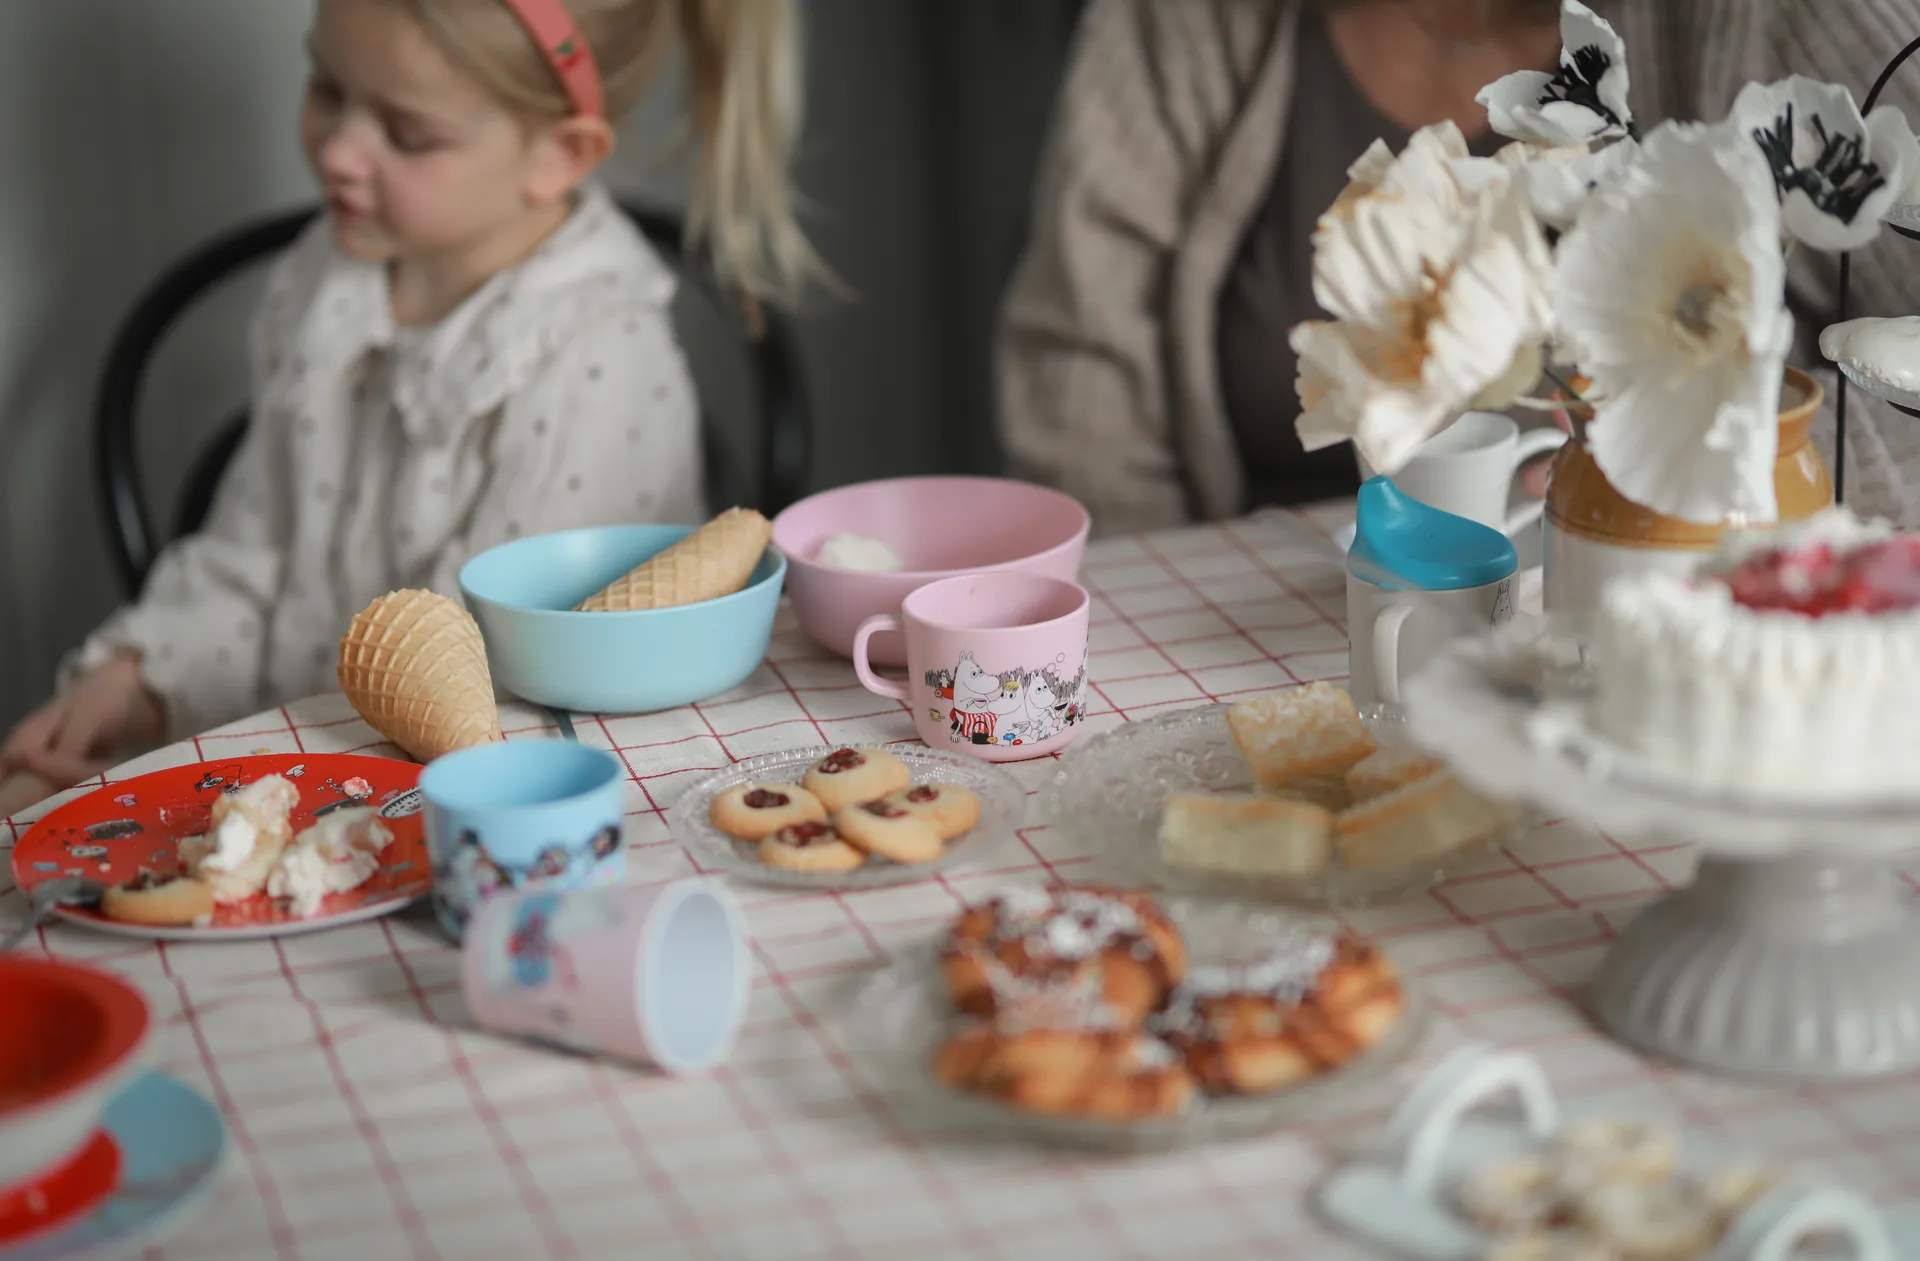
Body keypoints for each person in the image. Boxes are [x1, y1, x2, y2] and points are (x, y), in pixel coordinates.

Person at [0, 0, 818, 804]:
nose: (338, 151)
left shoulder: (594, 357)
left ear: (559, 155)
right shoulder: (323, 282)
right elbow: (254, 557)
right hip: (305, 759)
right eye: (327, 87)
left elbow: (504, 695)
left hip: (484, 793)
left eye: (408, 133)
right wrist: (137, 677)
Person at [997, 0, 1920, 537]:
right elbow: (1082, 377)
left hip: (1709, 615)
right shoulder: (1187, 22)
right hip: (1281, 624)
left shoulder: (1774, 18)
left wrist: (1719, 457)